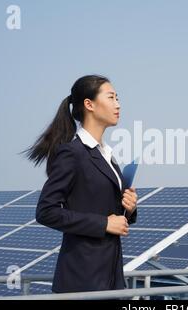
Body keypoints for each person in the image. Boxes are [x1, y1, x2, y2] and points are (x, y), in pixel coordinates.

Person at [23, 74, 138, 294]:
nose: (118, 104)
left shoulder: (107, 156)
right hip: (82, 281)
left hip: (111, 279)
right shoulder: (72, 153)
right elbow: (45, 211)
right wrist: (103, 223)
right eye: (111, 97)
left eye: (118, 98)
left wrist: (129, 208)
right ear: (89, 104)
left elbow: (109, 210)